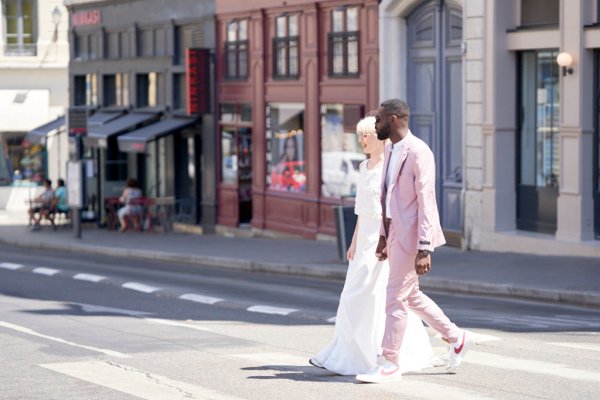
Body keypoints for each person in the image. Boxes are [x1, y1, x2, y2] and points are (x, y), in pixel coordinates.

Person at [356, 99, 473, 383]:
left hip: (411, 236)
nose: (376, 125)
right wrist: (383, 237)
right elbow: (387, 198)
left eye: (380, 120)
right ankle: (455, 337)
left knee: (395, 295)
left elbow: (426, 201)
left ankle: (390, 361)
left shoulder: (419, 151)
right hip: (394, 232)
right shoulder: (391, 150)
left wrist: (424, 247)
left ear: (394, 119)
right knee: (410, 295)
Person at [309, 116, 435, 376]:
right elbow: (360, 211)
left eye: (366, 134)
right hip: (364, 239)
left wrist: (389, 241)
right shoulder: (364, 167)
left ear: (380, 137)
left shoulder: (390, 168)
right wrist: (353, 243)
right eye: (360, 135)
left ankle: (382, 354)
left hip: (383, 239)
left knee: (380, 298)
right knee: (352, 297)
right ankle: (343, 353)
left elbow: (394, 209)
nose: (362, 140)